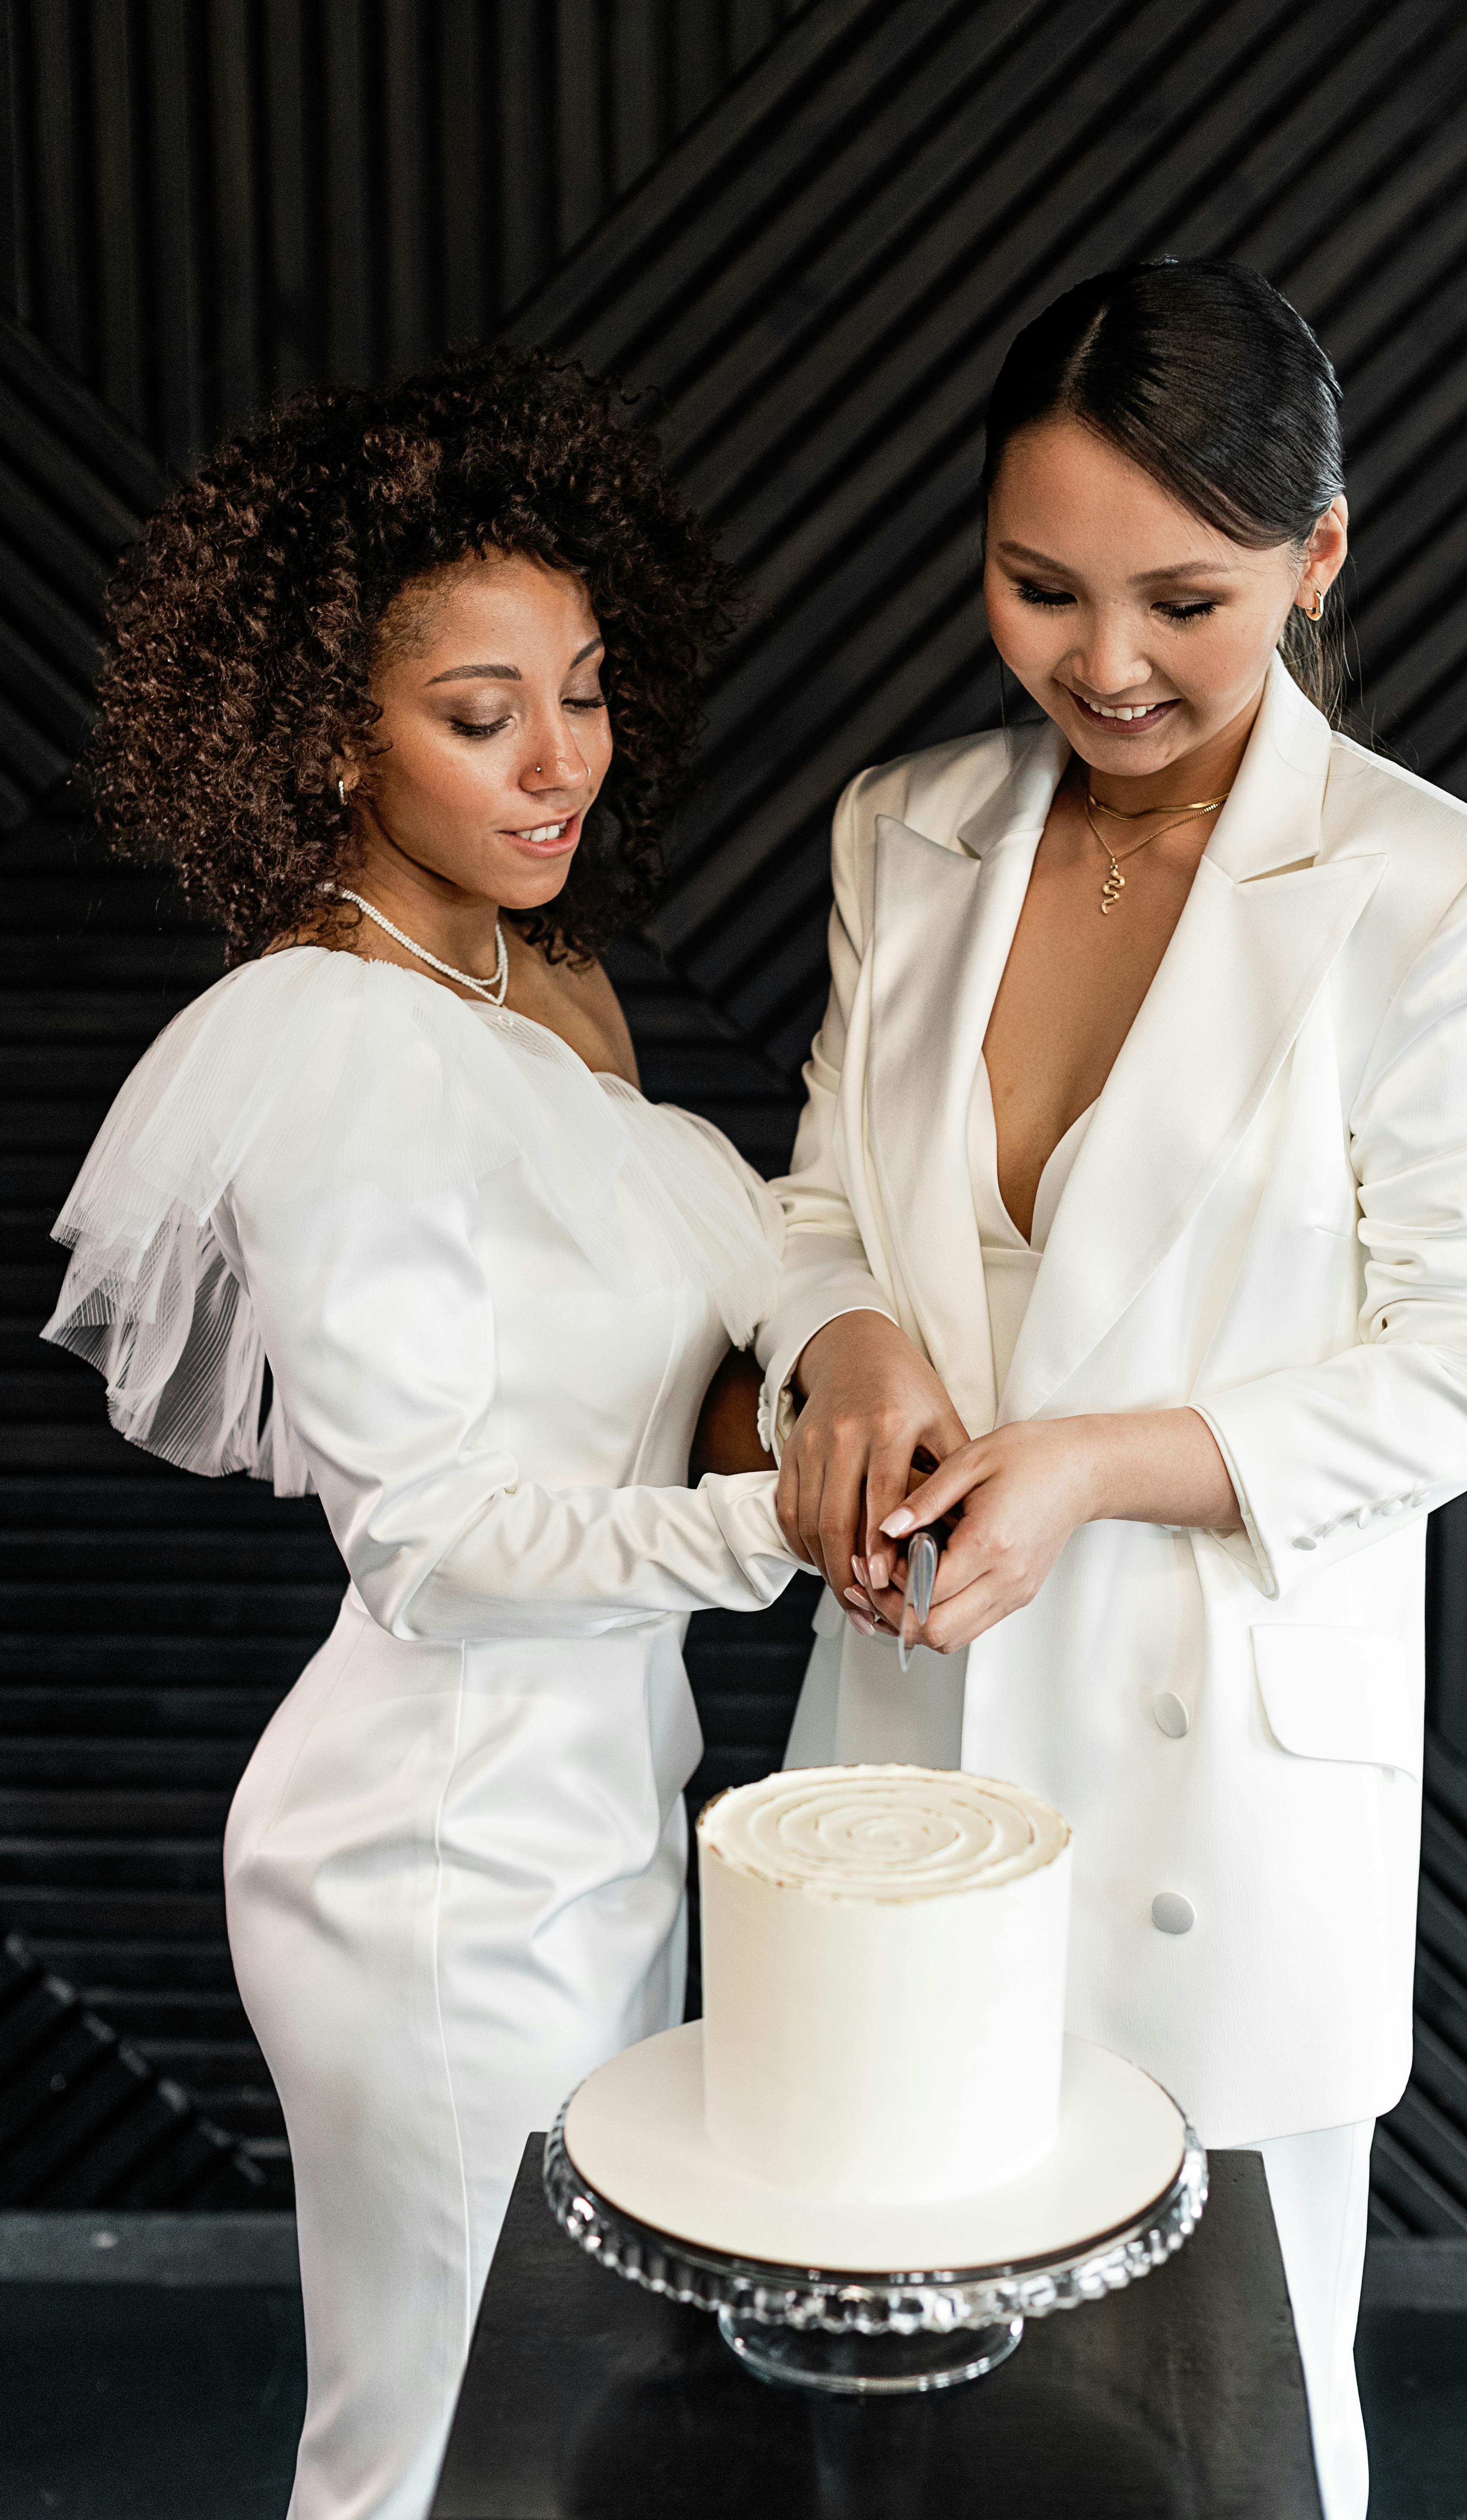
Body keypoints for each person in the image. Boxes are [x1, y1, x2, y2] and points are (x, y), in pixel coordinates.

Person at [757, 261, 1467, 2520]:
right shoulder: (901, 833)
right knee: (894, 2370)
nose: (1103, 663)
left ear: (1318, 559)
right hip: (916, 1720)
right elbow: (818, 1209)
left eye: (1185, 599)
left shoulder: (1436, 893)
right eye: (1041, 588)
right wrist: (851, 1340)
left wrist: (1105, 1464)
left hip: (1227, 1773)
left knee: (1234, 2433)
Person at [42, 348, 799, 2520]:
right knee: (438, 2454)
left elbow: (729, 1261)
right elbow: (442, 1547)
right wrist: (779, 1526)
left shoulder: (544, 982)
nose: (558, 763)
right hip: (433, 1863)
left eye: (581, 689)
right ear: (329, 735)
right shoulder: (336, 1051)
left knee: (569, 2429)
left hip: (599, 1800)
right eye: (481, 718)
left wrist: (830, 1345)